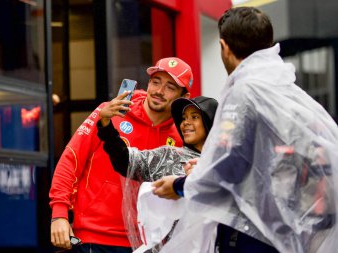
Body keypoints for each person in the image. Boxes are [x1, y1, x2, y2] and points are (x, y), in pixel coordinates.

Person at [152, 7, 338, 253]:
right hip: (287, 232)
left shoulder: (245, 91)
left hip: (254, 233)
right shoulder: (285, 90)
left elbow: (228, 166)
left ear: (224, 46)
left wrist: (179, 185)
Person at [49, 57, 194, 253]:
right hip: (93, 236)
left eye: (170, 87)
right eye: (155, 82)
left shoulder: (182, 135)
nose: (159, 91)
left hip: (146, 244)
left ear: (183, 97)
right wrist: (59, 214)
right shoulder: (109, 112)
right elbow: (71, 159)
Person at [96, 96, 218, 251]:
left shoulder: (226, 164)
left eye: (194, 117)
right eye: (183, 118)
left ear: (211, 122)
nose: (186, 123)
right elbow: (125, 161)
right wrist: (106, 126)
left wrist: (203, 179)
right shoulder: (169, 156)